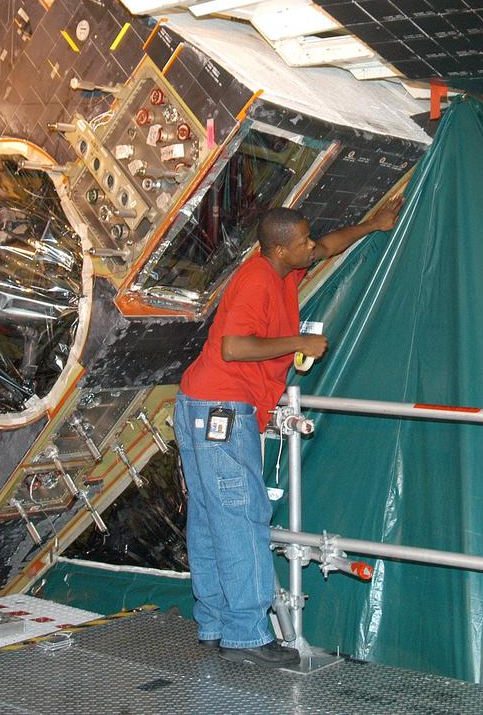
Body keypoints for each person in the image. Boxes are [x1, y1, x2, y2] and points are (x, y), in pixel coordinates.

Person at [174, 197, 403, 666]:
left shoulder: (282, 268)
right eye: (302, 241)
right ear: (280, 249)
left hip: (202, 405)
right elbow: (235, 347)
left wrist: (374, 224)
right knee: (242, 514)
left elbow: (330, 245)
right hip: (223, 409)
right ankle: (245, 635)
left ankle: (215, 624)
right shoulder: (258, 279)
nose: (311, 245)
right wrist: (299, 341)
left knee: (210, 517)